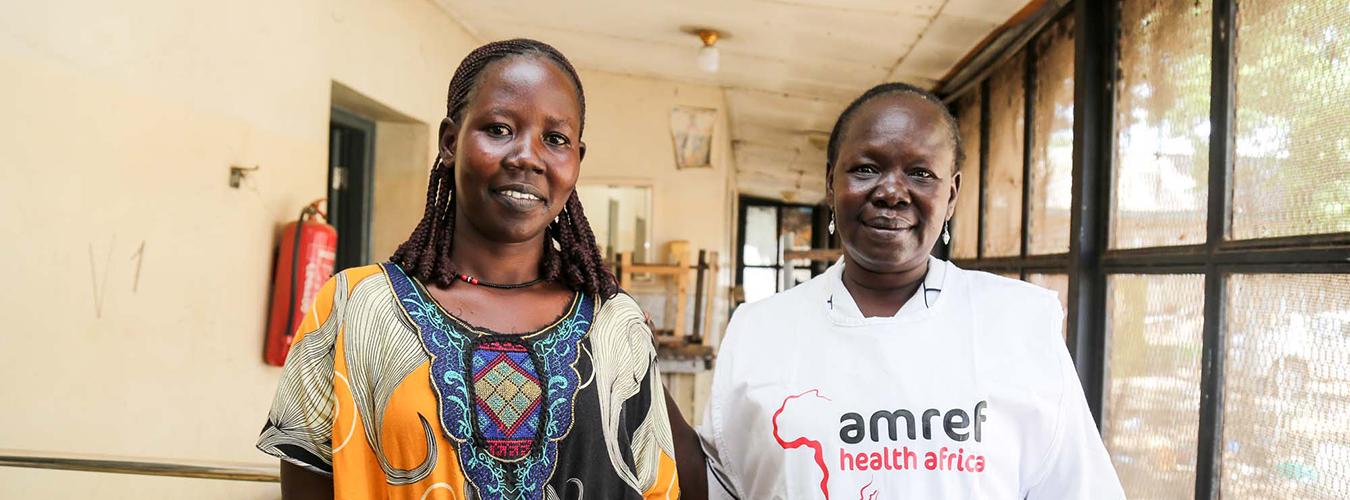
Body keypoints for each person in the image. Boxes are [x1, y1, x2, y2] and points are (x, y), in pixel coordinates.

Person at [257, 39, 681, 499]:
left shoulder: (615, 324)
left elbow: (656, 487)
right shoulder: (355, 307)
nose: (527, 156)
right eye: (499, 129)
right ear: (449, 142)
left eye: (555, 139)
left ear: (577, 159)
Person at [698, 83, 1125, 499]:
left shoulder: (1017, 322)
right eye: (866, 168)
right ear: (831, 183)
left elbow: (1078, 487)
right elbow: (719, 484)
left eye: (920, 174)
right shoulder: (760, 330)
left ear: (951, 195)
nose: (891, 192)